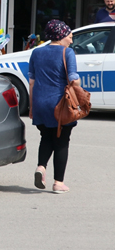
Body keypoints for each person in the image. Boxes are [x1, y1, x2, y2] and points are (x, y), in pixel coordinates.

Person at [29, 19, 80, 194]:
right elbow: (73, 79)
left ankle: (41, 167)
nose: (71, 39)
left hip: (40, 102)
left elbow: (31, 82)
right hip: (60, 104)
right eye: (69, 36)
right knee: (62, 141)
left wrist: (31, 107)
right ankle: (58, 183)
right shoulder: (68, 53)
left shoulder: (36, 53)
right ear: (61, 36)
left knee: (46, 137)